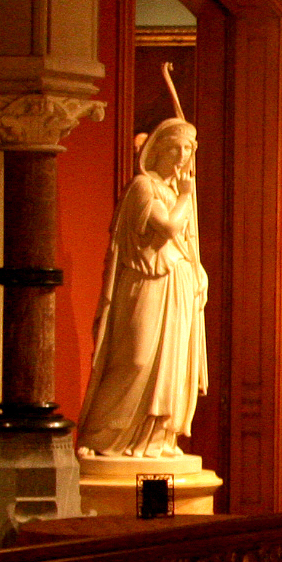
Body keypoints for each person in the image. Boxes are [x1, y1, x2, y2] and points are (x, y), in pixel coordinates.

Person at [79, 118, 211, 459]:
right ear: (158, 150)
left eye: (188, 149)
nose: (182, 156)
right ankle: (102, 437)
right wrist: (185, 196)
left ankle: (157, 439)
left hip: (177, 283)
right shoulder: (144, 187)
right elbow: (168, 227)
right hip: (147, 282)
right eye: (175, 147)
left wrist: (199, 272)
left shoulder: (171, 191)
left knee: (172, 364)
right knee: (136, 360)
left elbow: (185, 242)